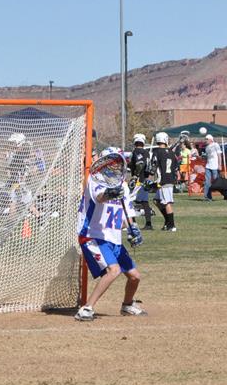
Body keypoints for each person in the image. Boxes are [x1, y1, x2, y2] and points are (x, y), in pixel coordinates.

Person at [75, 148, 145, 321]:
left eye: (118, 163)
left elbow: (126, 212)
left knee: (135, 277)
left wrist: (133, 228)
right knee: (113, 271)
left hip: (113, 238)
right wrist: (110, 193)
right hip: (93, 235)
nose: (115, 166)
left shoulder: (122, 185)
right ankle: (86, 308)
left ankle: (127, 305)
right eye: (112, 162)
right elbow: (100, 197)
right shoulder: (94, 180)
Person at [151, 132, 179, 231]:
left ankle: (172, 225)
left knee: (166, 203)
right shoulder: (171, 152)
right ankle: (167, 221)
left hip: (163, 180)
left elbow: (152, 168)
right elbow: (176, 167)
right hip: (169, 178)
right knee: (157, 201)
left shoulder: (157, 152)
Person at [129, 134, 155, 231]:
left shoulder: (136, 151)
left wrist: (135, 176)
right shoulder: (146, 152)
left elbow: (139, 164)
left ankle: (133, 223)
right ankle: (148, 224)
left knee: (129, 201)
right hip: (145, 179)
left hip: (138, 180)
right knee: (144, 202)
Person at [202, 134, 222, 201]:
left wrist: (219, 165)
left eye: (206, 139)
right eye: (205, 139)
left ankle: (225, 192)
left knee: (217, 182)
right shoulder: (206, 147)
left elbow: (219, 155)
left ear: (210, 139)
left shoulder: (216, 145)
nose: (205, 140)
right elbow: (208, 157)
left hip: (215, 166)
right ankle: (207, 197)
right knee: (207, 182)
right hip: (208, 166)